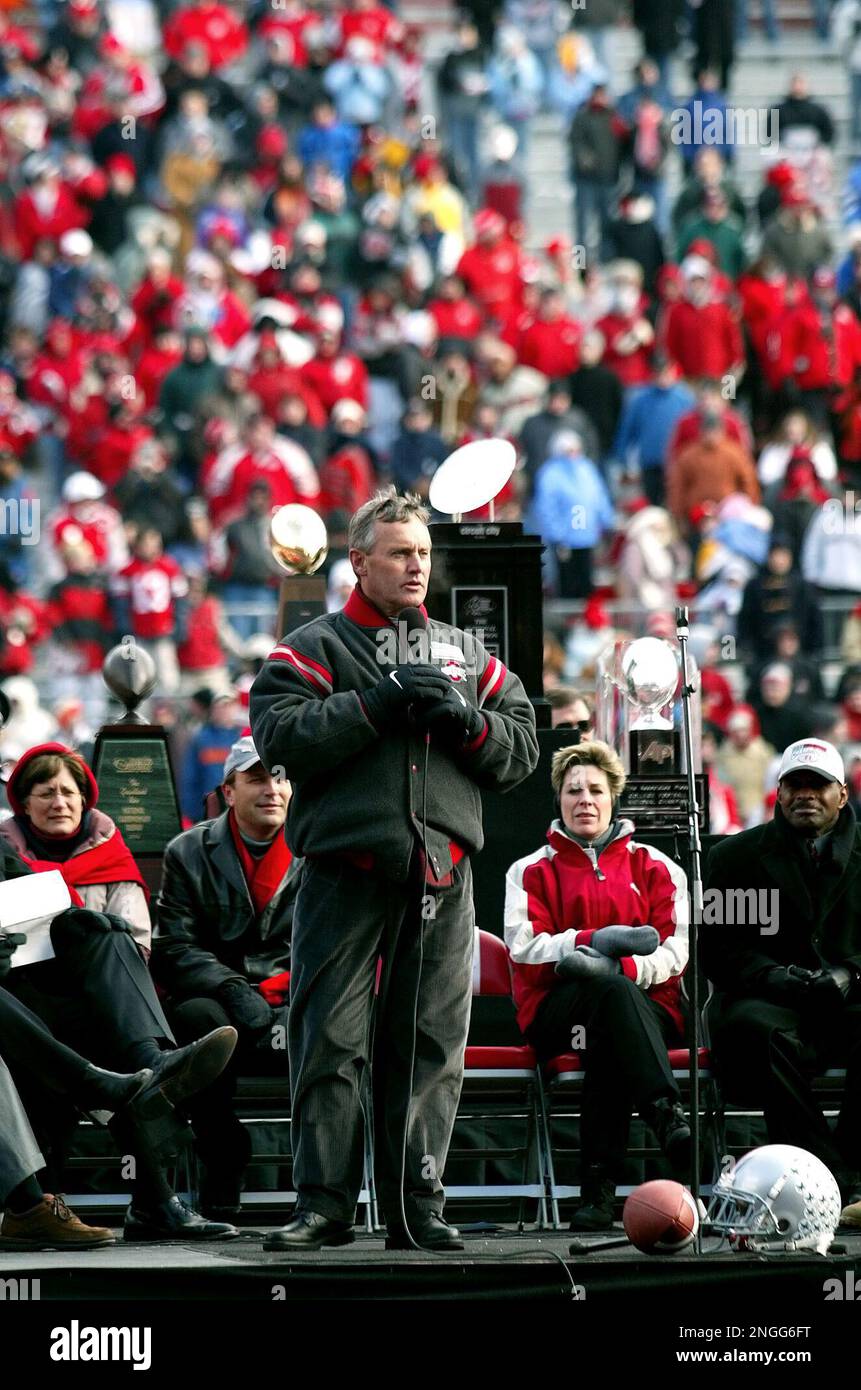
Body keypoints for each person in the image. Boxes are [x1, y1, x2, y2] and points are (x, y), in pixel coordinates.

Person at [249, 486, 538, 1250]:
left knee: (432, 1045)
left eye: (423, 553)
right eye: (400, 553)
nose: (416, 567)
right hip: (343, 870)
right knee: (328, 1040)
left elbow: (522, 747)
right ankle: (325, 1207)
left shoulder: (467, 654)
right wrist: (376, 703)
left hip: (443, 872)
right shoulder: (311, 647)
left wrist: (467, 722)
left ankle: (418, 1208)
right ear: (358, 562)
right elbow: (280, 735)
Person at [0, 743, 240, 1241]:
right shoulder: (5, 843)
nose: (59, 802)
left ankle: (149, 1069)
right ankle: (153, 1194)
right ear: (23, 803)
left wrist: (76, 919)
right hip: (19, 1000)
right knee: (116, 1053)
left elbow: (136, 947)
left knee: (100, 935)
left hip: (91, 1000)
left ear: (85, 800)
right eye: (46, 793)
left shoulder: (109, 855)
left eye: (68, 792)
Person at [505, 740, 690, 1230]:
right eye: (573, 791)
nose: (584, 799)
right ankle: (665, 1112)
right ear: (558, 801)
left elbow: (675, 953)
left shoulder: (657, 866)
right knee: (610, 1005)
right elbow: (526, 949)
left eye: (595, 790)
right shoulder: (527, 870)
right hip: (558, 1011)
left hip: (645, 1009)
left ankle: (598, 1194)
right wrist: (588, 942)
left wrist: (620, 970)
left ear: (613, 798)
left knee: (613, 1010)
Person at [703, 738, 861, 1227]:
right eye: (795, 784)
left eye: (818, 785)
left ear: (842, 793)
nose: (805, 794)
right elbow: (716, 950)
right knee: (753, 1030)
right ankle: (835, 1180)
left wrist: (849, 973)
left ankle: (848, 1167)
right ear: (778, 792)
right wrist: (779, 978)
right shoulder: (733, 857)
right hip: (769, 1002)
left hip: (850, 1001)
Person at [153, 735, 297, 1217]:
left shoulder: (319, 846)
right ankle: (223, 1152)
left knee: (345, 1013)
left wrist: (279, 989)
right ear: (229, 790)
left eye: (280, 777)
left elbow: (337, 941)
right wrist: (234, 988)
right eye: (256, 778)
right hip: (218, 996)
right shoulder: (187, 850)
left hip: (296, 991)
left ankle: (326, 1186)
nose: (271, 789)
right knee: (200, 1021)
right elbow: (173, 945)